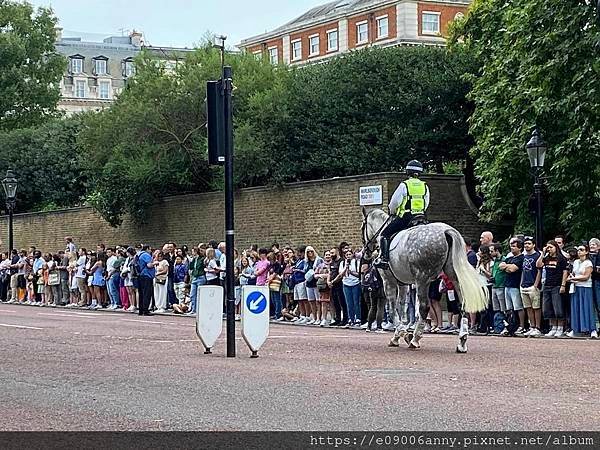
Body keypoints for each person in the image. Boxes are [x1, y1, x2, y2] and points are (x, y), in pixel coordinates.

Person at [375, 160, 430, 269]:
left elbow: (394, 203)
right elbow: (426, 202)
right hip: (421, 217)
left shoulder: (404, 185)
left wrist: (392, 211)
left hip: (406, 217)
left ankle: (384, 260)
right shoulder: (425, 186)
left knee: (384, 234)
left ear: (408, 172)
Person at [537, 240, 568, 337]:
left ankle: (560, 327)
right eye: (548, 247)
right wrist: (543, 253)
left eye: (551, 247)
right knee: (548, 308)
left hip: (557, 285)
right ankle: (553, 327)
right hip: (547, 285)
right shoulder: (546, 258)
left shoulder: (561, 258)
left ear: (556, 247)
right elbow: (538, 265)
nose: (549, 249)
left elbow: (565, 272)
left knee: (558, 307)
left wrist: (563, 285)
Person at [567, 244, 596, 338]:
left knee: (586, 307)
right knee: (576, 308)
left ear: (586, 252)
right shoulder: (575, 262)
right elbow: (573, 273)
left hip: (586, 287)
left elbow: (586, 277)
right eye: (578, 250)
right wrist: (570, 278)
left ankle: (592, 329)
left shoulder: (588, 263)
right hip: (576, 287)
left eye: (582, 250)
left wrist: (574, 279)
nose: (579, 251)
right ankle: (576, 329)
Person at [520, 237, 542, 336]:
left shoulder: (537, 255)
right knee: (528, 307)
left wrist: (536, 285)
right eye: (525, 244)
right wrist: (521, 283)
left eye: (529, 243)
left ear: (533, 245)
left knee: (536, 307)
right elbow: (522, 271)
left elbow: (539, 271)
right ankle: (532, 326)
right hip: (524, 284)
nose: (527, 245)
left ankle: (537, 327)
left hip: (533, 285)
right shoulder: (524, 256)